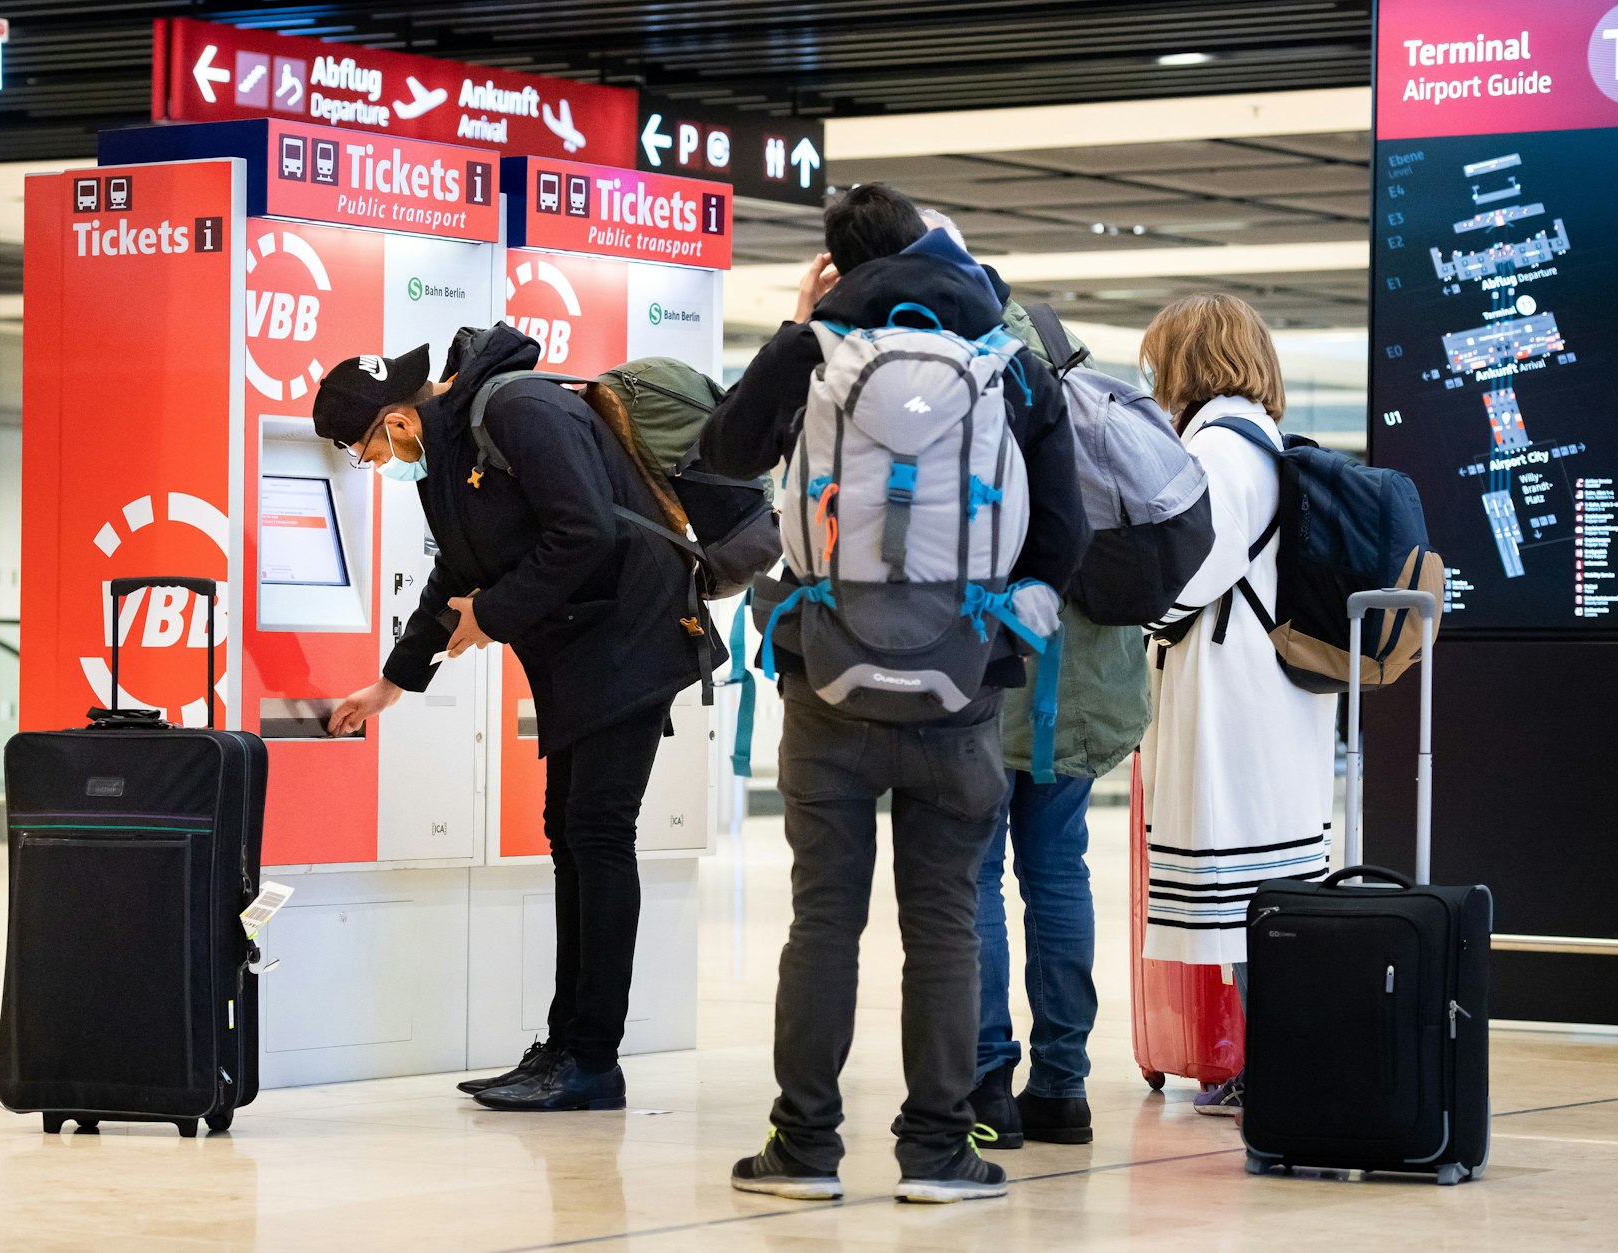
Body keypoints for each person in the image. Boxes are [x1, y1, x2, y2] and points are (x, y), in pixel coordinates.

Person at [705, 184, 1090, 1203]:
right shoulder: (1005, 353)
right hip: (959, 689)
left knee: (821, 920)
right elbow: (1066, 527)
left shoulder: (816, 343)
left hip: (825, 684)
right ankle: (934, 1149)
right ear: (929, 241)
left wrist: (797, 325)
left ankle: (803, 1146)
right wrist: (1003, 618)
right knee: (947, 922)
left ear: (835, 265)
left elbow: (724, 452)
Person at [312, 325, 716, 1112]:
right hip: (583, 653)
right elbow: (455, 573)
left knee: (596, 834)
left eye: (366, 450)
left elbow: (587, 530)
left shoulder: (522, 409)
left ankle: (593, 1058)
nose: (376, 465)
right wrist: (393, 682)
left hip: (634, 638)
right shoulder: (449, 456)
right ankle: (567, 1044)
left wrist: (493, 615)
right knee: (570, 832)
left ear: (394, 419)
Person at [916, 211, 1150, 1150]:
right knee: (1058, 870)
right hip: (1090, 669)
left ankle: (986, 1086)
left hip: (993, 658)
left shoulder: (955, 369)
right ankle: (1064, 1085)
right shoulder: (1062, 351)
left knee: (971, 875)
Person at [1137, 293, 1338, 1117]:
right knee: (1269, 894)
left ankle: (1284, 1072)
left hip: (1233, 708)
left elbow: (1184, 576)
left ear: (1190, 363)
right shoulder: (1266, 441)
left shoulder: (1220, 451)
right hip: (1273, 701)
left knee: (1252, 903)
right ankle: (1275, 1066)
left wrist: (1136, 598)